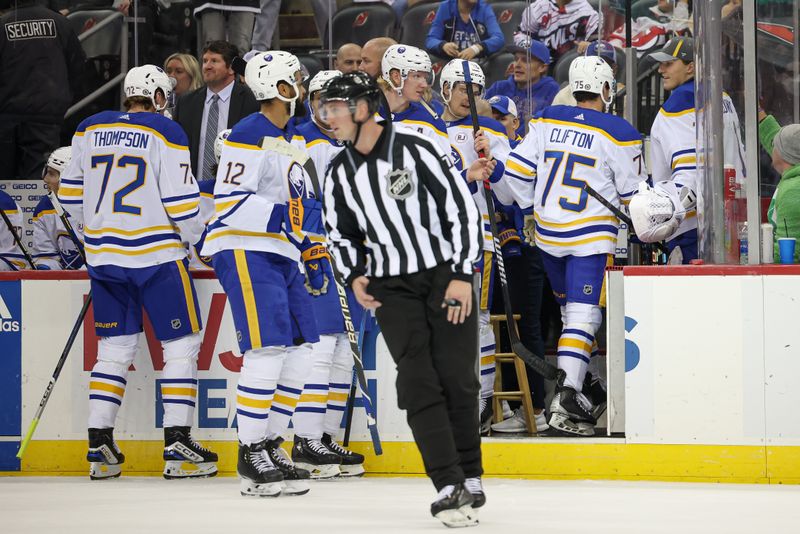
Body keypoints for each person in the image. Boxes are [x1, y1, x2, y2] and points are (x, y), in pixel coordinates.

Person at [320, 71, 495, 527]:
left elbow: (460, 210)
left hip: (445, 278)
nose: (328, 117)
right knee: (417, 383)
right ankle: (447, 483)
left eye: (337, 108)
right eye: (326, 108)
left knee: (457, 378)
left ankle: (470, 474)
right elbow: (339, 233)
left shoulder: (417, 151)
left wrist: (461, 274)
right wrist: (354, 274)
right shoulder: (338, 172)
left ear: (363, 108)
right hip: (391, 289)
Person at [58, 64, 217, 479]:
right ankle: (178, 444)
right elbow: (183, 206)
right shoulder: (167, 132)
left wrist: (94, 237)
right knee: (181, 344)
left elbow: (69, 195)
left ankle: (99, 445)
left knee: (113, 349)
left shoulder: (88, 127)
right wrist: (201, 241)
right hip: (157, 259)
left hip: (104, 260)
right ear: (160, 97)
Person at [490, 56, 646, 436]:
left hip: (546, 236)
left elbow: (516, 177)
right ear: (606, 89)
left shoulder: (545, 120)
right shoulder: (619, 131)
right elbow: (635, 198)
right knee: (583, 316)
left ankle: (584, 387)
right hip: (589, 236)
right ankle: (566, 398)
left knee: (569, 317)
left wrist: (530, 207)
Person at [201, 50, 321, 498]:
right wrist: (291, 218)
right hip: (246, 248)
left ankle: (270, 443)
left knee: (301, 351)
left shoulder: (293, 136)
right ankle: (250, 452)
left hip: (281, 252)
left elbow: (302, 207)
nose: (302, 86)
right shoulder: (250, 131)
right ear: (277, 86)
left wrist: (311, 243)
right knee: (268, 349)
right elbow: (230, 202)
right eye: (296, 79)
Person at [291, 69, 367, 479]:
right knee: (321, 348)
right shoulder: (302, 140)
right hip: (318, 256)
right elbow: (299, 202)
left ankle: (325, 437)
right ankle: (305, 440)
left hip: (353, 256)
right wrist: (315, 243)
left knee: (341, 350)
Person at [439, 59, 512, 434]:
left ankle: (480, 401)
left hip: (476, 239)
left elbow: (515, 193)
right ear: (444, 88)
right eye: (461, 88)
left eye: (476, 91)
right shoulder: (429, 131)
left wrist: (495, 164)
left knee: (476, 322)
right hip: (435, 243)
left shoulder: (491, 133)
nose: (469, 97)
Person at [633, 37, 745, 264]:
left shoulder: (679, 104)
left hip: (693, 230)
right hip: (733, 216)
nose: (660, 70)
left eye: (669, 64)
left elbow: (691, 177)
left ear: (691, 67)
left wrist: (661, 215)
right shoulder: (722, 96)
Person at [0, 0, 85, 180]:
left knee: (5, 181)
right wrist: (63, 100)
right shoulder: (60, 23)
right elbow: (78, 67)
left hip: (7, 115)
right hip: (46, 115)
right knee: (39, 181)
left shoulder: (2, 25)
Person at [173, 41, 259, 181]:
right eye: (205, 61)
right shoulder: (186, 103)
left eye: (214, 61)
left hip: (236, 189)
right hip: (193, 190)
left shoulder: (252, 101)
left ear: (231, 68)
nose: (207, 66)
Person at [379, 44, 451, 158]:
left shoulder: (431, 123)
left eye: (425, 77)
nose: (424, 84)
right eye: (417, 76)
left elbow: (446, 172)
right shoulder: (362, 114)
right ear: (396, 77)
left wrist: (467, 174)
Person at [485, 39, 558, 137]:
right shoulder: (499, 87)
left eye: (525, 60)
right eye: (516, 59)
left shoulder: (551, 90)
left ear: (542, 67)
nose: (518, 65)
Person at [32, 147, 84, 270]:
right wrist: (47, 269)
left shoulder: (97, 208)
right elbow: (46, 256)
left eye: (51, 174)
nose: (45, 179)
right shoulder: (44, 208)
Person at [758, 111, 800, 262]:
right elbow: (783, 141)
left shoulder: (794, 191)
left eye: (775, 145)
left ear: (783, 154)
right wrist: (756, 110)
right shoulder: (793, 165)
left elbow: (791, 253)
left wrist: (759, 259)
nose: (771, 147)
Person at [513, 0, 599, 62]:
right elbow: (521, 35)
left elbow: (598, 46)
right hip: (540, 63)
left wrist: (590, 45)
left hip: (572, 63)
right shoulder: (538, 7)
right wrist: (531, 47)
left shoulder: (588, 13)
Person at [425, 0, 505, 61]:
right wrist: (443, 45)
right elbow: (431, 40)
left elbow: (499, 38)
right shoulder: (445, 7)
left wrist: (476, 48)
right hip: (452, 65)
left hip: (478, 65)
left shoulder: (484, 9)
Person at [553, 40, 620, 107]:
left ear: (614, 70)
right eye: (593, 64)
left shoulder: (623, 94)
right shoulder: (565, 94)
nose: (598, 69)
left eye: (605, 66)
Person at [193, 0, 258, 57]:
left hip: (245, 3)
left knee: (241, 51)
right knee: (212, 49)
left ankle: (238, 71)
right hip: (210, 3)